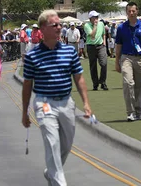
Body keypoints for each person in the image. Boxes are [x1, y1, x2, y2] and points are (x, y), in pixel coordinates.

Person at [22, 9, 92, 186]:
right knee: (52, 143)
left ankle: (51, 172)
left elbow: (79, 78)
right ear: (43, 28)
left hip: (66, 102)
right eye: (55, 25)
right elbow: (27, 85)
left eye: (60, 24)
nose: (59, 27)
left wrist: (86, 103)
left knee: (66, 144)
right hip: (44, 103)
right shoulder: (32, 55)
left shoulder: (69, 52)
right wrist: (24, 112)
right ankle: (59, 182)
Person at [114, 2, 141, 122]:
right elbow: (118, 45)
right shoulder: (121, 28)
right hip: (126, 57)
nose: (131, 13)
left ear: (137, 11)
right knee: (128, 83)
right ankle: (130, 112)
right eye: (129, 11)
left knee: (139, 87)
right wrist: (117, 61)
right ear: (126, 12)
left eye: (133, 11)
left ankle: (139, 112)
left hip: (140, 58)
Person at [84, 11, 108, 91]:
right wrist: (95, 26)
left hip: (101, 46)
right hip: (91, 47)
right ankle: (95, 84)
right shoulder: (87, 25)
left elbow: (103, 34)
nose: (96, 18)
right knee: (93, 66)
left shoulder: (101, 24)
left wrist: (104, 42)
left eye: (97, 17)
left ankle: (102, 82)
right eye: (94, 17)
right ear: (90, 18)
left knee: (104, 64)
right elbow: (92, 35)